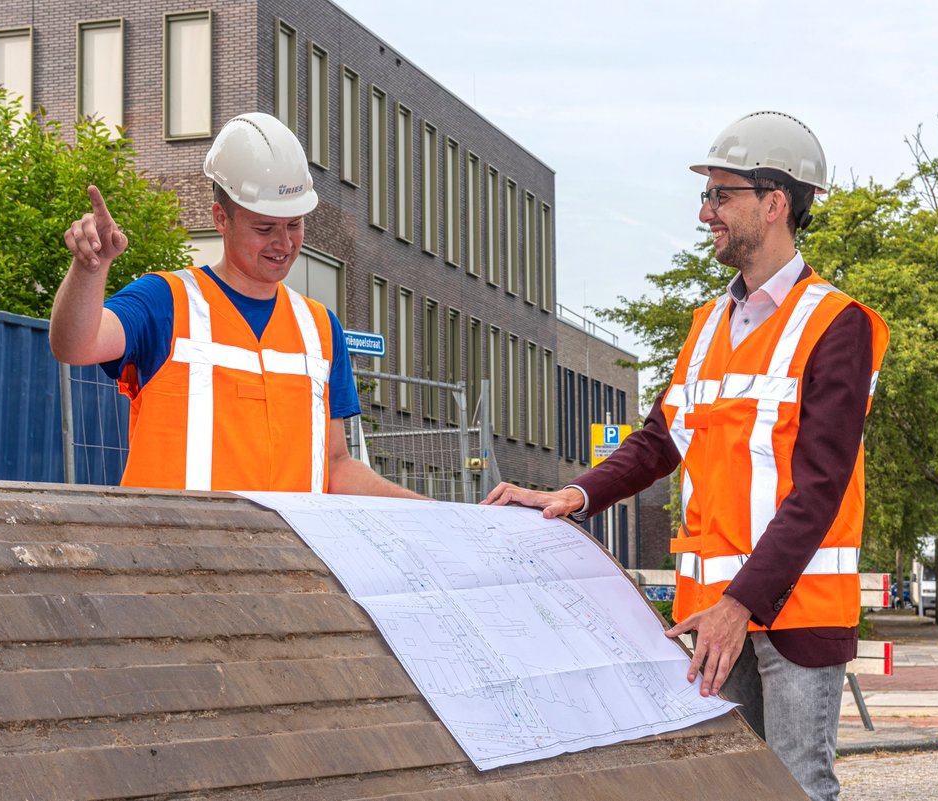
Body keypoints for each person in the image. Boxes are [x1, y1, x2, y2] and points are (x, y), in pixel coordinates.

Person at [483, 110, 888, 801]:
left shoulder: (836, 324)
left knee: (796, 787)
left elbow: (821, 488)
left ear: (774, 202)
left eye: (720, 194)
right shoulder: (706, 324)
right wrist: (573, 496)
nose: (705, 212)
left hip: (794, 611)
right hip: (714, 612)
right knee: (726, 788)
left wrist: (741, 604)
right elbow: (660, 440)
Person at [51, 112, 422, 499]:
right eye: (264, 228)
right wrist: (90, 269)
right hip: (170, 555)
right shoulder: (165, 301)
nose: (284, 242)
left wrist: (438, 512)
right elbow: (75, 345)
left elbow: (335, 465)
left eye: (294, 224)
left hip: (286, 558)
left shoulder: (321, 329)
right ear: (220, 219)